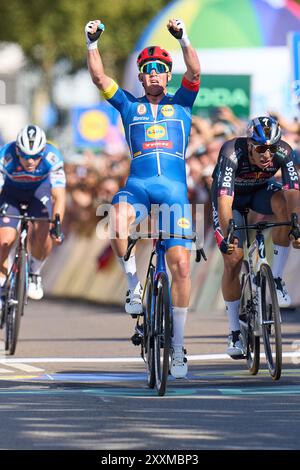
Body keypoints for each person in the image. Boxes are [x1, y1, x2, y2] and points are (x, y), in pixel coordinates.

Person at [85, 18, 200, 378]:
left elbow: (195, 70)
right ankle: (134, 287)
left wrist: (183, 39)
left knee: (181, 265)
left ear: (168, 76)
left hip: (175, 193)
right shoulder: (128, 106)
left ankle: (178, 347)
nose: (153, 75)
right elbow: (100, 79)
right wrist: (91, 44)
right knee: (116, 220)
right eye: (147, 70)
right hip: (138, 186)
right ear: (140, 77)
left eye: (160, 70)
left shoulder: (182, 103)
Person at [211, 116, 300, 358]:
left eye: (271, 148)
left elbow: (293, 192)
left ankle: (278, 280)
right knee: (233, 259)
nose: (267, 155)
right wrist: (229, 231)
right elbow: (224, 200)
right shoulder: (231, 152)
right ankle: (234, 332)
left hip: (260, 192)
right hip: (231, 201)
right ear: (250, 144)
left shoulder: (284, 152)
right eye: (261, 148)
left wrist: (296, 224)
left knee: (285, 206)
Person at [0, 124, 66, 303]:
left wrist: (57, 226)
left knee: (44, 230)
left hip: (39, 193)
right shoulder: (5, 155)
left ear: (43, 151)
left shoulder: (53, 157)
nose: (30, 161)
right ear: (17, 151)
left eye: (36, 156)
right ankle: (1, 282)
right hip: (10, 195)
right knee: (4, 240)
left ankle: (35, 273)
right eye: (26, 156)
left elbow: (59, 196)